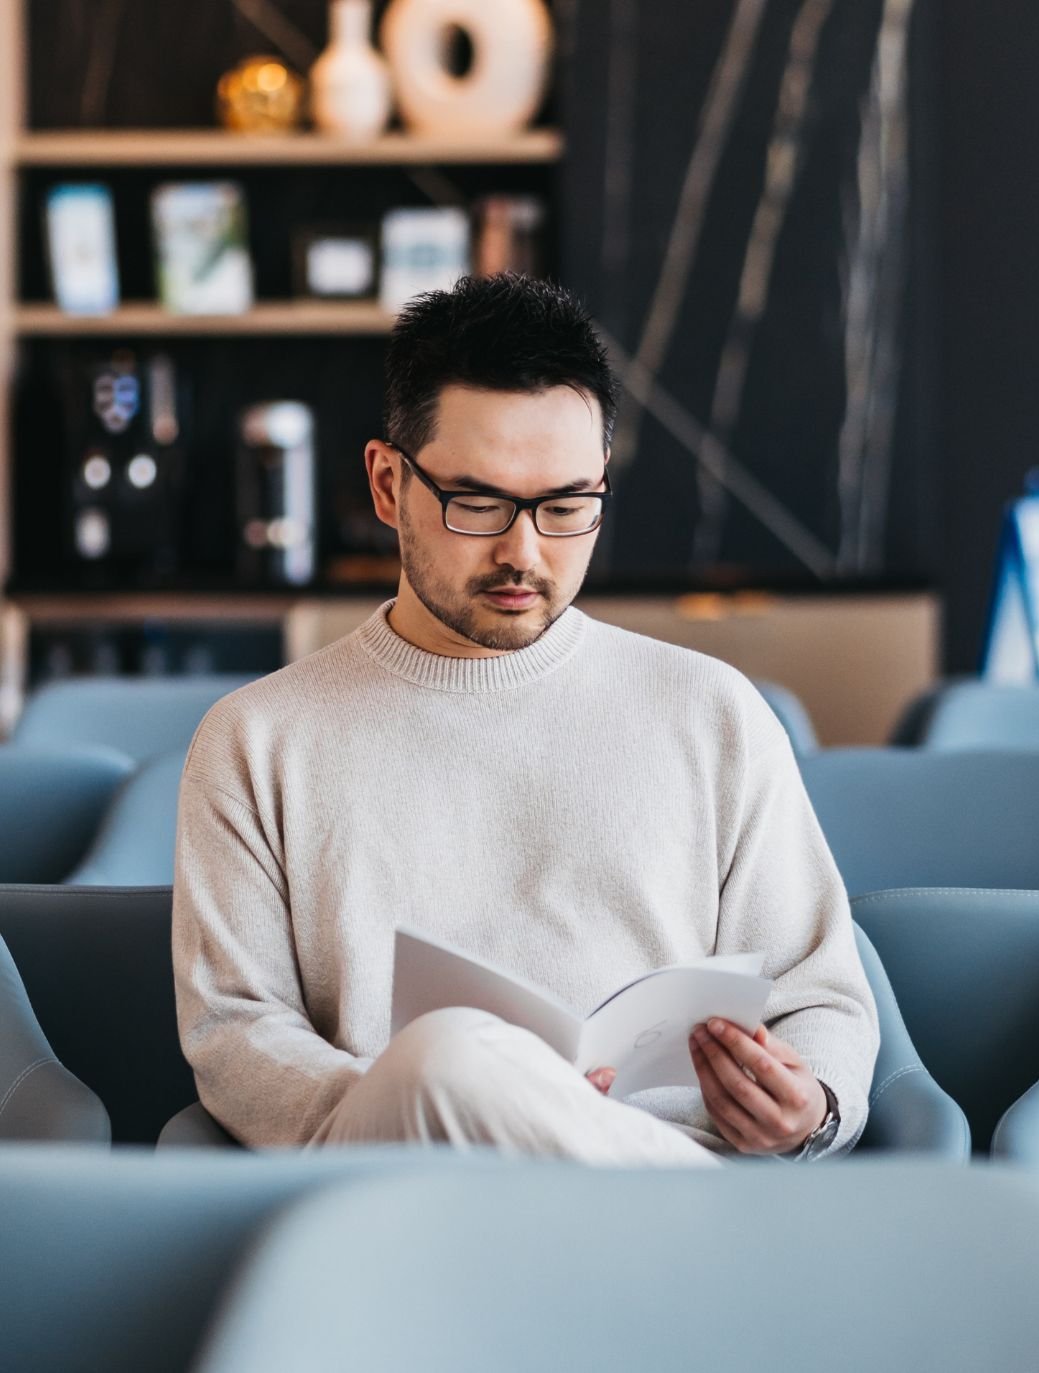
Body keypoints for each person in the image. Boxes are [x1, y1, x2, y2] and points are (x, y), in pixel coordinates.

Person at [173, 272, 878, 1166]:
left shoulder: (711, 712)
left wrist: (805, 1106)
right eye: (477, 502)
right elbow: (236, 1033)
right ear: (387, 486)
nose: (524, 551)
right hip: (396, 1181)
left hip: (669, 1188)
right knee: (445, 1057)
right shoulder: (254, 739)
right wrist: (472, 1091)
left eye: (565, 506)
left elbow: (821, 994)